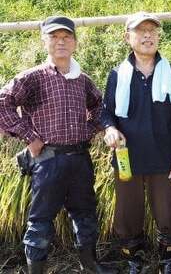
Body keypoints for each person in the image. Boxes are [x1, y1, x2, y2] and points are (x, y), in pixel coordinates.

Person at [0, 16, 116, 274]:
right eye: (54, 37)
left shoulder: (82, 79)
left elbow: (99, 107)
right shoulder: (32, 78)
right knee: (40, 221)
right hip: (47, 161)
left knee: (85, 214)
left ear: (75, 42)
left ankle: (90, 265)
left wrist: (93, 127)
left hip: (80, 159)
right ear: (45, 41)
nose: (61, 42)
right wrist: (29, 136)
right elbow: (3, 103)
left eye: (66, 37)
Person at [101, 11, 171, 274]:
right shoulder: (117, 74)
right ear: (127, 37)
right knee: (128, 214)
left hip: (164, 159)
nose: (148, 35)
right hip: (127, 158)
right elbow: (106, 111)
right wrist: (109, 127)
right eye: (141, 31)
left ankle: (167, 261)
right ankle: (134, 260)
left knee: (167, 213)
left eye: (152, 30)